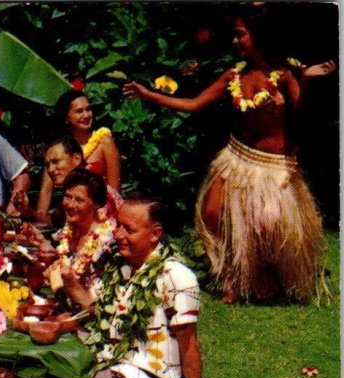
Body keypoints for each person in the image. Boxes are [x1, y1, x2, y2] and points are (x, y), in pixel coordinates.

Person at [122, 8, 335, 303]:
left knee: (269, 223)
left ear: (259, 36)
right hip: (236, 157)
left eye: (240, 34)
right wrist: (149, 95)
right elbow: (195, 103)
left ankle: (269, 278)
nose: (234, 41)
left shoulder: (286, 75)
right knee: (211, 214)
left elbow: (306, 117)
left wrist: (306, 81)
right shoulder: (233, 75)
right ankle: (229, 279)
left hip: (274, 166)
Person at [67, 194, 218, 378]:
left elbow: (188, 341)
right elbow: (99, 310)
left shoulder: (176, 277)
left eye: (129, 229)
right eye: (118, 225)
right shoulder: (124, 266)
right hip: (113, 361)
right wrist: (70, 285)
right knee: (58, 361)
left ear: (155, 234)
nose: (117, 234)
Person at [24, 169, 116, 295]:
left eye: (79, 200)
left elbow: (99, 296)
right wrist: (41, 241)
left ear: (97, 203)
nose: (70, 205)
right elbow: (63, 259)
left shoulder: (107, 243)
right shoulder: (70, 229)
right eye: (67, 197)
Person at [55, 89, 122, 193]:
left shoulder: (104, 141)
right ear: (66, 117)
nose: (86, 115)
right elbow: (46, 190)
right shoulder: (60, 148)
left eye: (88, 109)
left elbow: (115, 192)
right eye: (79, 111)